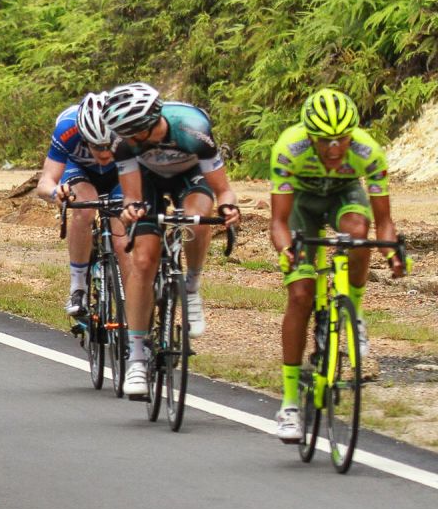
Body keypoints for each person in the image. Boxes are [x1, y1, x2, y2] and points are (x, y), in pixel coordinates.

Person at [269, 89, 407, 443]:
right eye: (324, 140)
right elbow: (279, 222)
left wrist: (392, 253)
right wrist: (288, 252)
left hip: (344, 197)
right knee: (300, 295)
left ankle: (353, 311)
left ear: (352, 135)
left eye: (341, 139)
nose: (334, 148)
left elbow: (384, 222)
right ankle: (288, 404)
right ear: (310, 136)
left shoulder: (367, 152)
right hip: (301, 204)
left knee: (359, 234)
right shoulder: (289, 147)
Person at [109, 81, 241, 400]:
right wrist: (130, 212)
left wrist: (228, 206)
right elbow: (131, 197)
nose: (131, 140)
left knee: (196, 218)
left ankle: (192, 286)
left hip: (190, 177)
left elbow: (223, 190)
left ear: (153, 121)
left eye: (135, 133)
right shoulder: (125, 143)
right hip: (148, 180)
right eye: (124, 134)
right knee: (142, 260)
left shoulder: (193, 130)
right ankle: (137, 357)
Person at [35, 92, 125, 318]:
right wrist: (57, 192)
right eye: (97, 145)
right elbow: (45, 183)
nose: (104, 153)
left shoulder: (127, 130)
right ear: (84, 136)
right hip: (80, 171)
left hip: (119, 173)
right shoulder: (67, 129)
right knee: (84, 208)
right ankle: (78, 288)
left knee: (122, 235)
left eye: (108, 145)